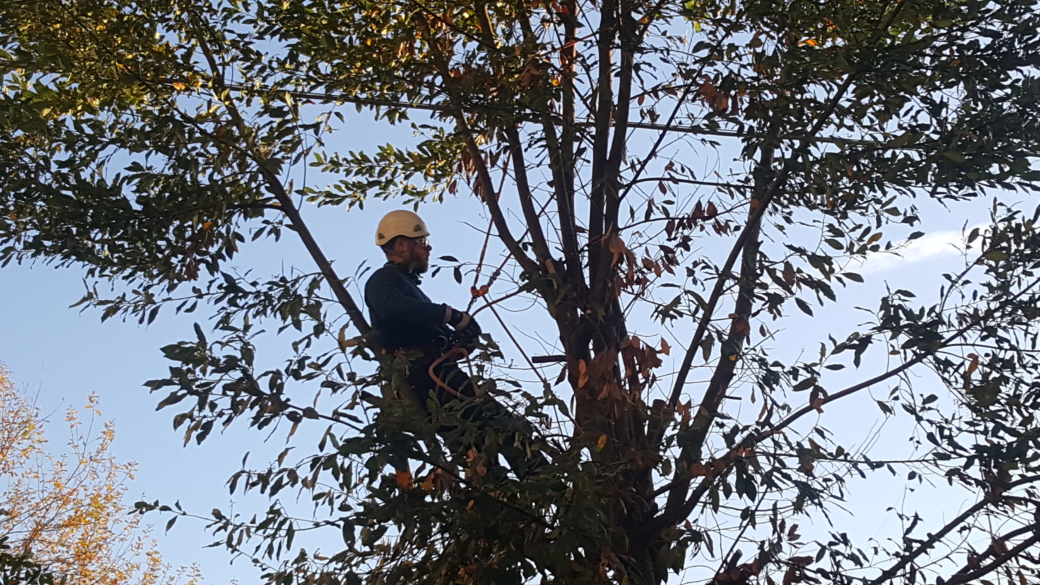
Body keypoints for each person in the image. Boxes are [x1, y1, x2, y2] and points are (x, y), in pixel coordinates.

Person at [364, 210, 545, 476]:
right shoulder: (384, 281)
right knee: (509, 431)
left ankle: (513, 502)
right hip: (428, 381)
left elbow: (421, 327)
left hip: (435, 378)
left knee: (481, 454)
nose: (429, 248)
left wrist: (459, 340)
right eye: (422, 242)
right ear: (401, 245)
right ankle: (552, 492)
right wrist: (450, 315)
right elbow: (392, 308)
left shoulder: (408, 288)